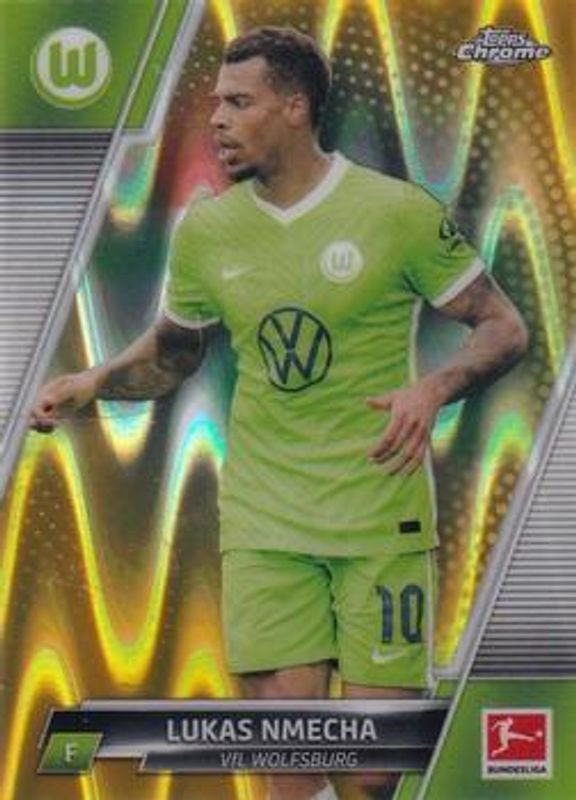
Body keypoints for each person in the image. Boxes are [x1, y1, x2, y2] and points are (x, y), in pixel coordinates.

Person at [31, 26, 528, 800]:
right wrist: (94, 381)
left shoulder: (395, 212)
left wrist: (432, 388)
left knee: (371, 770)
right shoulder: (207, 231)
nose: (217, 120)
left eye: (239, 103)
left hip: (378, 516)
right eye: (215, 104)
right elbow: (174, 355)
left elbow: (503, 326)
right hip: (265, 521)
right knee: (287, 765)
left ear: (295, 108)